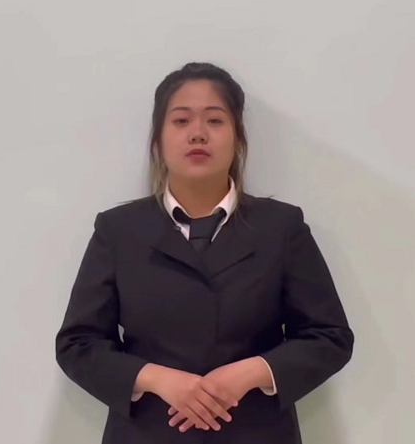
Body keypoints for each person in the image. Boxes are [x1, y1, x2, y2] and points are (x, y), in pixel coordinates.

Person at [55, 62, 354, 444]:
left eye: (215, 120)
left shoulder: (281, 227)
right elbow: (78, 344)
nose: (197, 134)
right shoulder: (119, 230)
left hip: (256, 433)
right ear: (158, 140)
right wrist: (156, 379)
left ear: (238, 139)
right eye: (181, 121)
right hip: (147, 433)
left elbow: (329, 337)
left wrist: (252, 373)